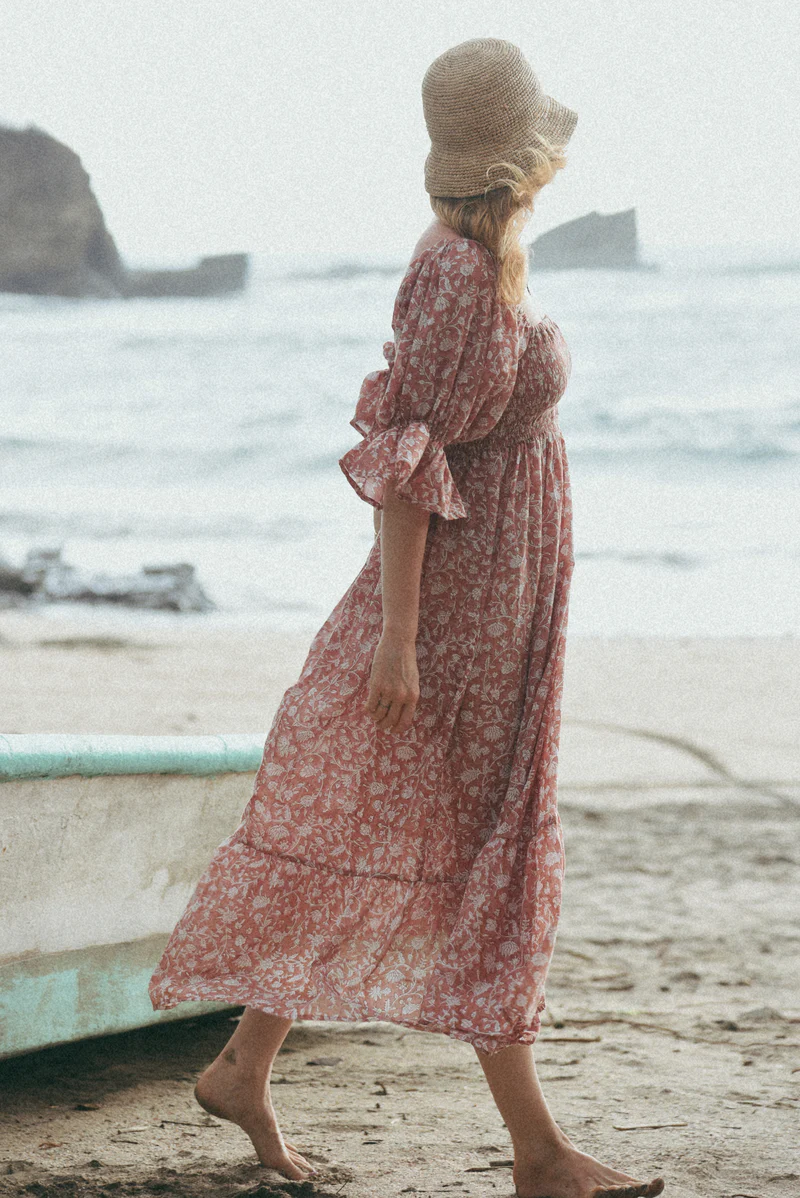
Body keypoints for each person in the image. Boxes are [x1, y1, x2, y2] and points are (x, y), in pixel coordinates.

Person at [149, 37, 665, 1198]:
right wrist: (395, 638)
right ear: (519, 159)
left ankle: (241, 1066)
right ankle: (537, 1152)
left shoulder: (488, 264)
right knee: (477, 849)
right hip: (455, 617)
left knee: (395, 834)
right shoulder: (452, 276)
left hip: (501, 603)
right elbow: (403, 466)